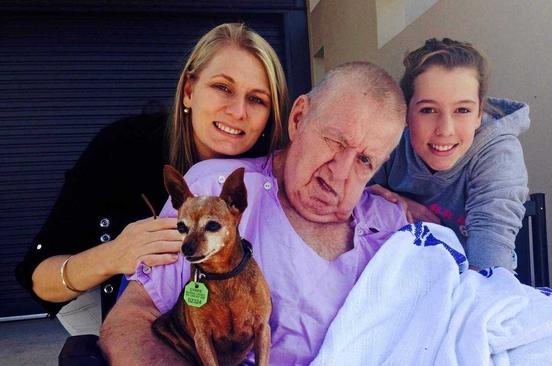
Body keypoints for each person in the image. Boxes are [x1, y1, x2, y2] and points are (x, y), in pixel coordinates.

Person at [99, 62, 408, 365]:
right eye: (335, 141)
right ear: (299, 118)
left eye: (365, 160)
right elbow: (134, 318)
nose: (340, 173)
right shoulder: (215, 191)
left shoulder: (393, 226)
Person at [14, 23, 289, 335]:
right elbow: (38, 278)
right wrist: (114, 255)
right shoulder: (123, 148)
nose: (238, 111)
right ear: (189, 91)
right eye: (222, 87)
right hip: (115, 301)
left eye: (257, 99)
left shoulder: (276, 173)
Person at [370, 37, 529, 271]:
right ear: (405, 113)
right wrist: (396, 204)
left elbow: (489, 265)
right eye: (428, 110)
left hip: (465, 280)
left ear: (479, 114)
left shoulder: (497, 153)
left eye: (462, 110)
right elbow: (351, 203)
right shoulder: (389, 141)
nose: (445, 129)